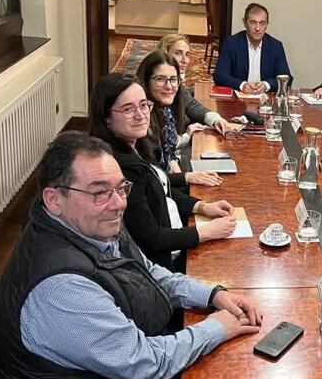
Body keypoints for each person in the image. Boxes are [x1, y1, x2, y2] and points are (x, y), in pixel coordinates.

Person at [0, 132, 262, 379]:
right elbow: (145, 364)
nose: (118, 203)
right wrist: (216, 328)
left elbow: (149, 271)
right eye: (99, 192)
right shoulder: (61, 288)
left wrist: (213, 294)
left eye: (121, 188)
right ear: (54, 199)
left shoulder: (91, 225)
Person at [89, 73, 237, 270]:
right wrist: (207, 232)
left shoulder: (139, 144)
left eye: (143, 105)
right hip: (161, 266)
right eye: (127, 109)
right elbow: (150, 238)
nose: (140, 115)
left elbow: (160, 189)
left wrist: (201, 206)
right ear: (106, 117)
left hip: (176, 239)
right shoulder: (119, 169)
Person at [137, 51, 222, 188]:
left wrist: (172, 161)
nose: (169, 86)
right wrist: (185, 177)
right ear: (146, 82)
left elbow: (166, 155)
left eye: (173, 79)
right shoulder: (141, 119)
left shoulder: (165, 110)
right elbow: (148, 179)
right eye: (160, 79)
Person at [156, 33, 230, 135]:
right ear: (164, 53)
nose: (184, 60)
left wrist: (215, 119)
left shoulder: (176, 82)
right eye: (178, 53)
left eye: (187, 54)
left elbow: (190, 104)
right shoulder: (158, 85)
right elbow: (161, 142)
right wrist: (187, 136)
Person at [213, 2, 292, 93]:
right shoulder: (231, 43)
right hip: (238, 101)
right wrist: (241, 85)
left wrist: (267, 85)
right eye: (253, 22)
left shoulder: (275, 46)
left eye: (262, 23)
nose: (258, 28)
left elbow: (286, 78)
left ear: (267, 24)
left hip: (265, 101)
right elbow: (219, 75)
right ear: (245, 22)